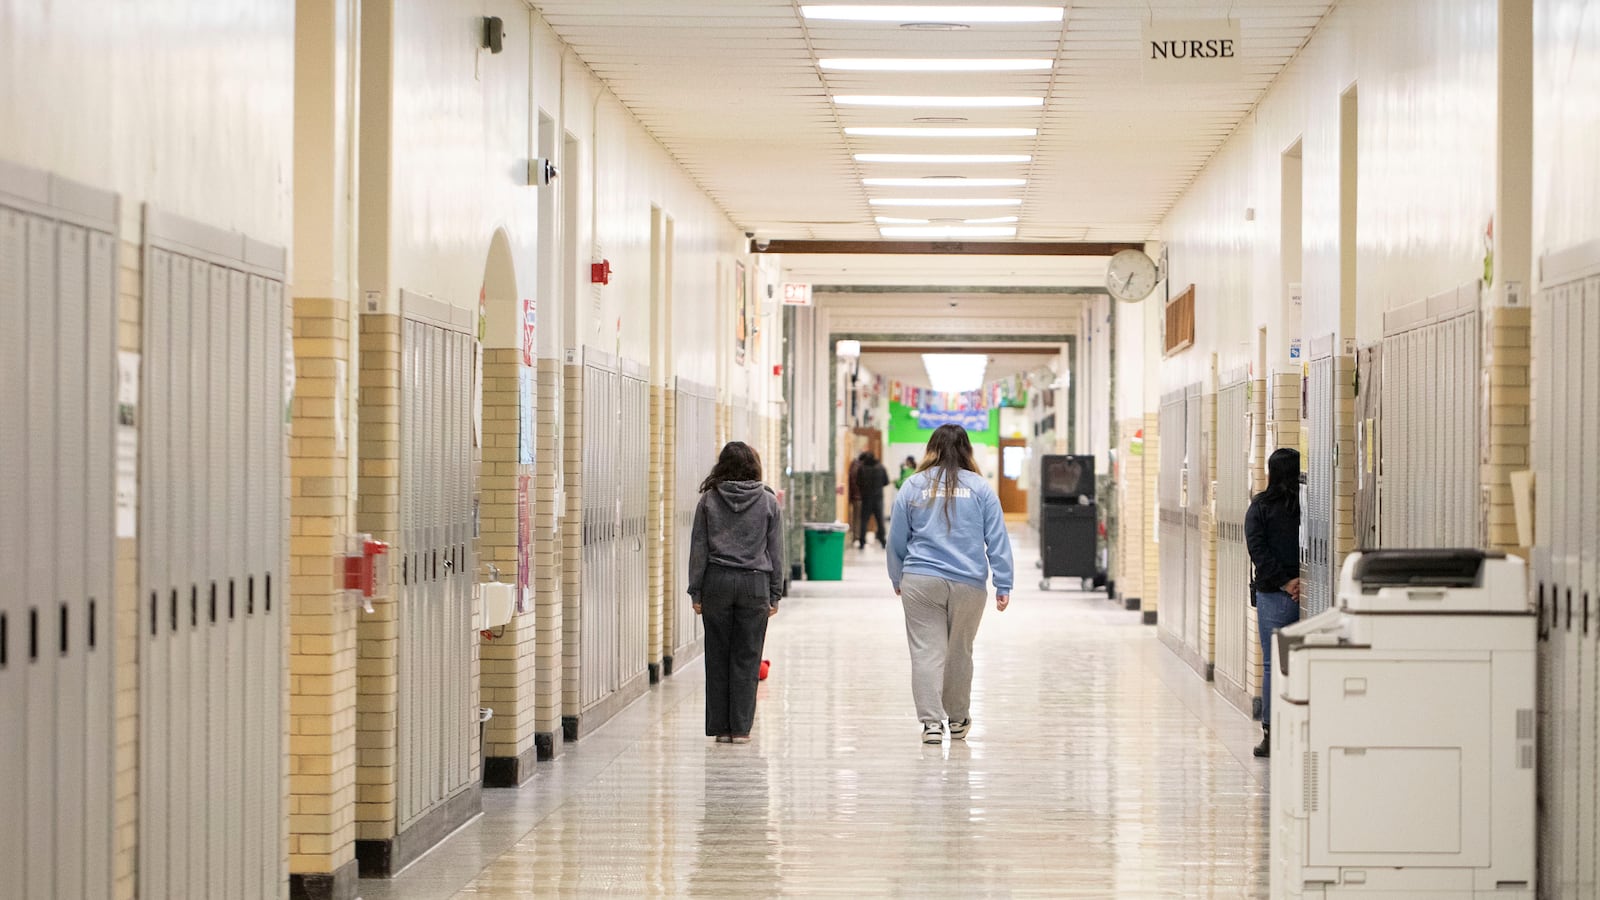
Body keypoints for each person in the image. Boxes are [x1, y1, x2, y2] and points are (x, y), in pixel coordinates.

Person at [887, 424, 1014, 744]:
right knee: (960, 652)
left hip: (921, 580)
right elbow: (997, 538)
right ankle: (957, 719)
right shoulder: (981, 489)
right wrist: (1003, 582)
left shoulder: (912, 486)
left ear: (932, 449)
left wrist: (896, 574)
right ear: (967, 450)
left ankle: (931, 724)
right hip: (968, 583)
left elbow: (896, 538)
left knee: (926, 653)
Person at [687, 442, 784, 744]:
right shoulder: (768, 501)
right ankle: (741, 729)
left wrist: (696, 590)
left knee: (717, 656)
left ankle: (721, 727)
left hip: (717, 581)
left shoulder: (709, 500)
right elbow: (776, 551)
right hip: (754, 584)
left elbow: (699, 549)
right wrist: (775, 592)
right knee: (748, 655)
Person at [1244, 447, 1303, 759]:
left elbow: (1258, 549)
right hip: (1306, 594)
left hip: (1274, 594)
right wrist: (1300, 581)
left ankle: (1270, 732)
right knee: (1305, 662)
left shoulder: (1260, 507)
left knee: (1271, 665)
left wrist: (1282, 581)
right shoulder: (1305, 505)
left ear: (1271, 473)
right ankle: (1302, 727)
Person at [854, 452, 890, 549]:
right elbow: (886, 482)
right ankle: (883, 541)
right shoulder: (881, 468)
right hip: (878, 498)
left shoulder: (862, 468)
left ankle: (862, 542)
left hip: (866, 498)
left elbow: (858, 482)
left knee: (864, 521)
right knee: (880, 521)